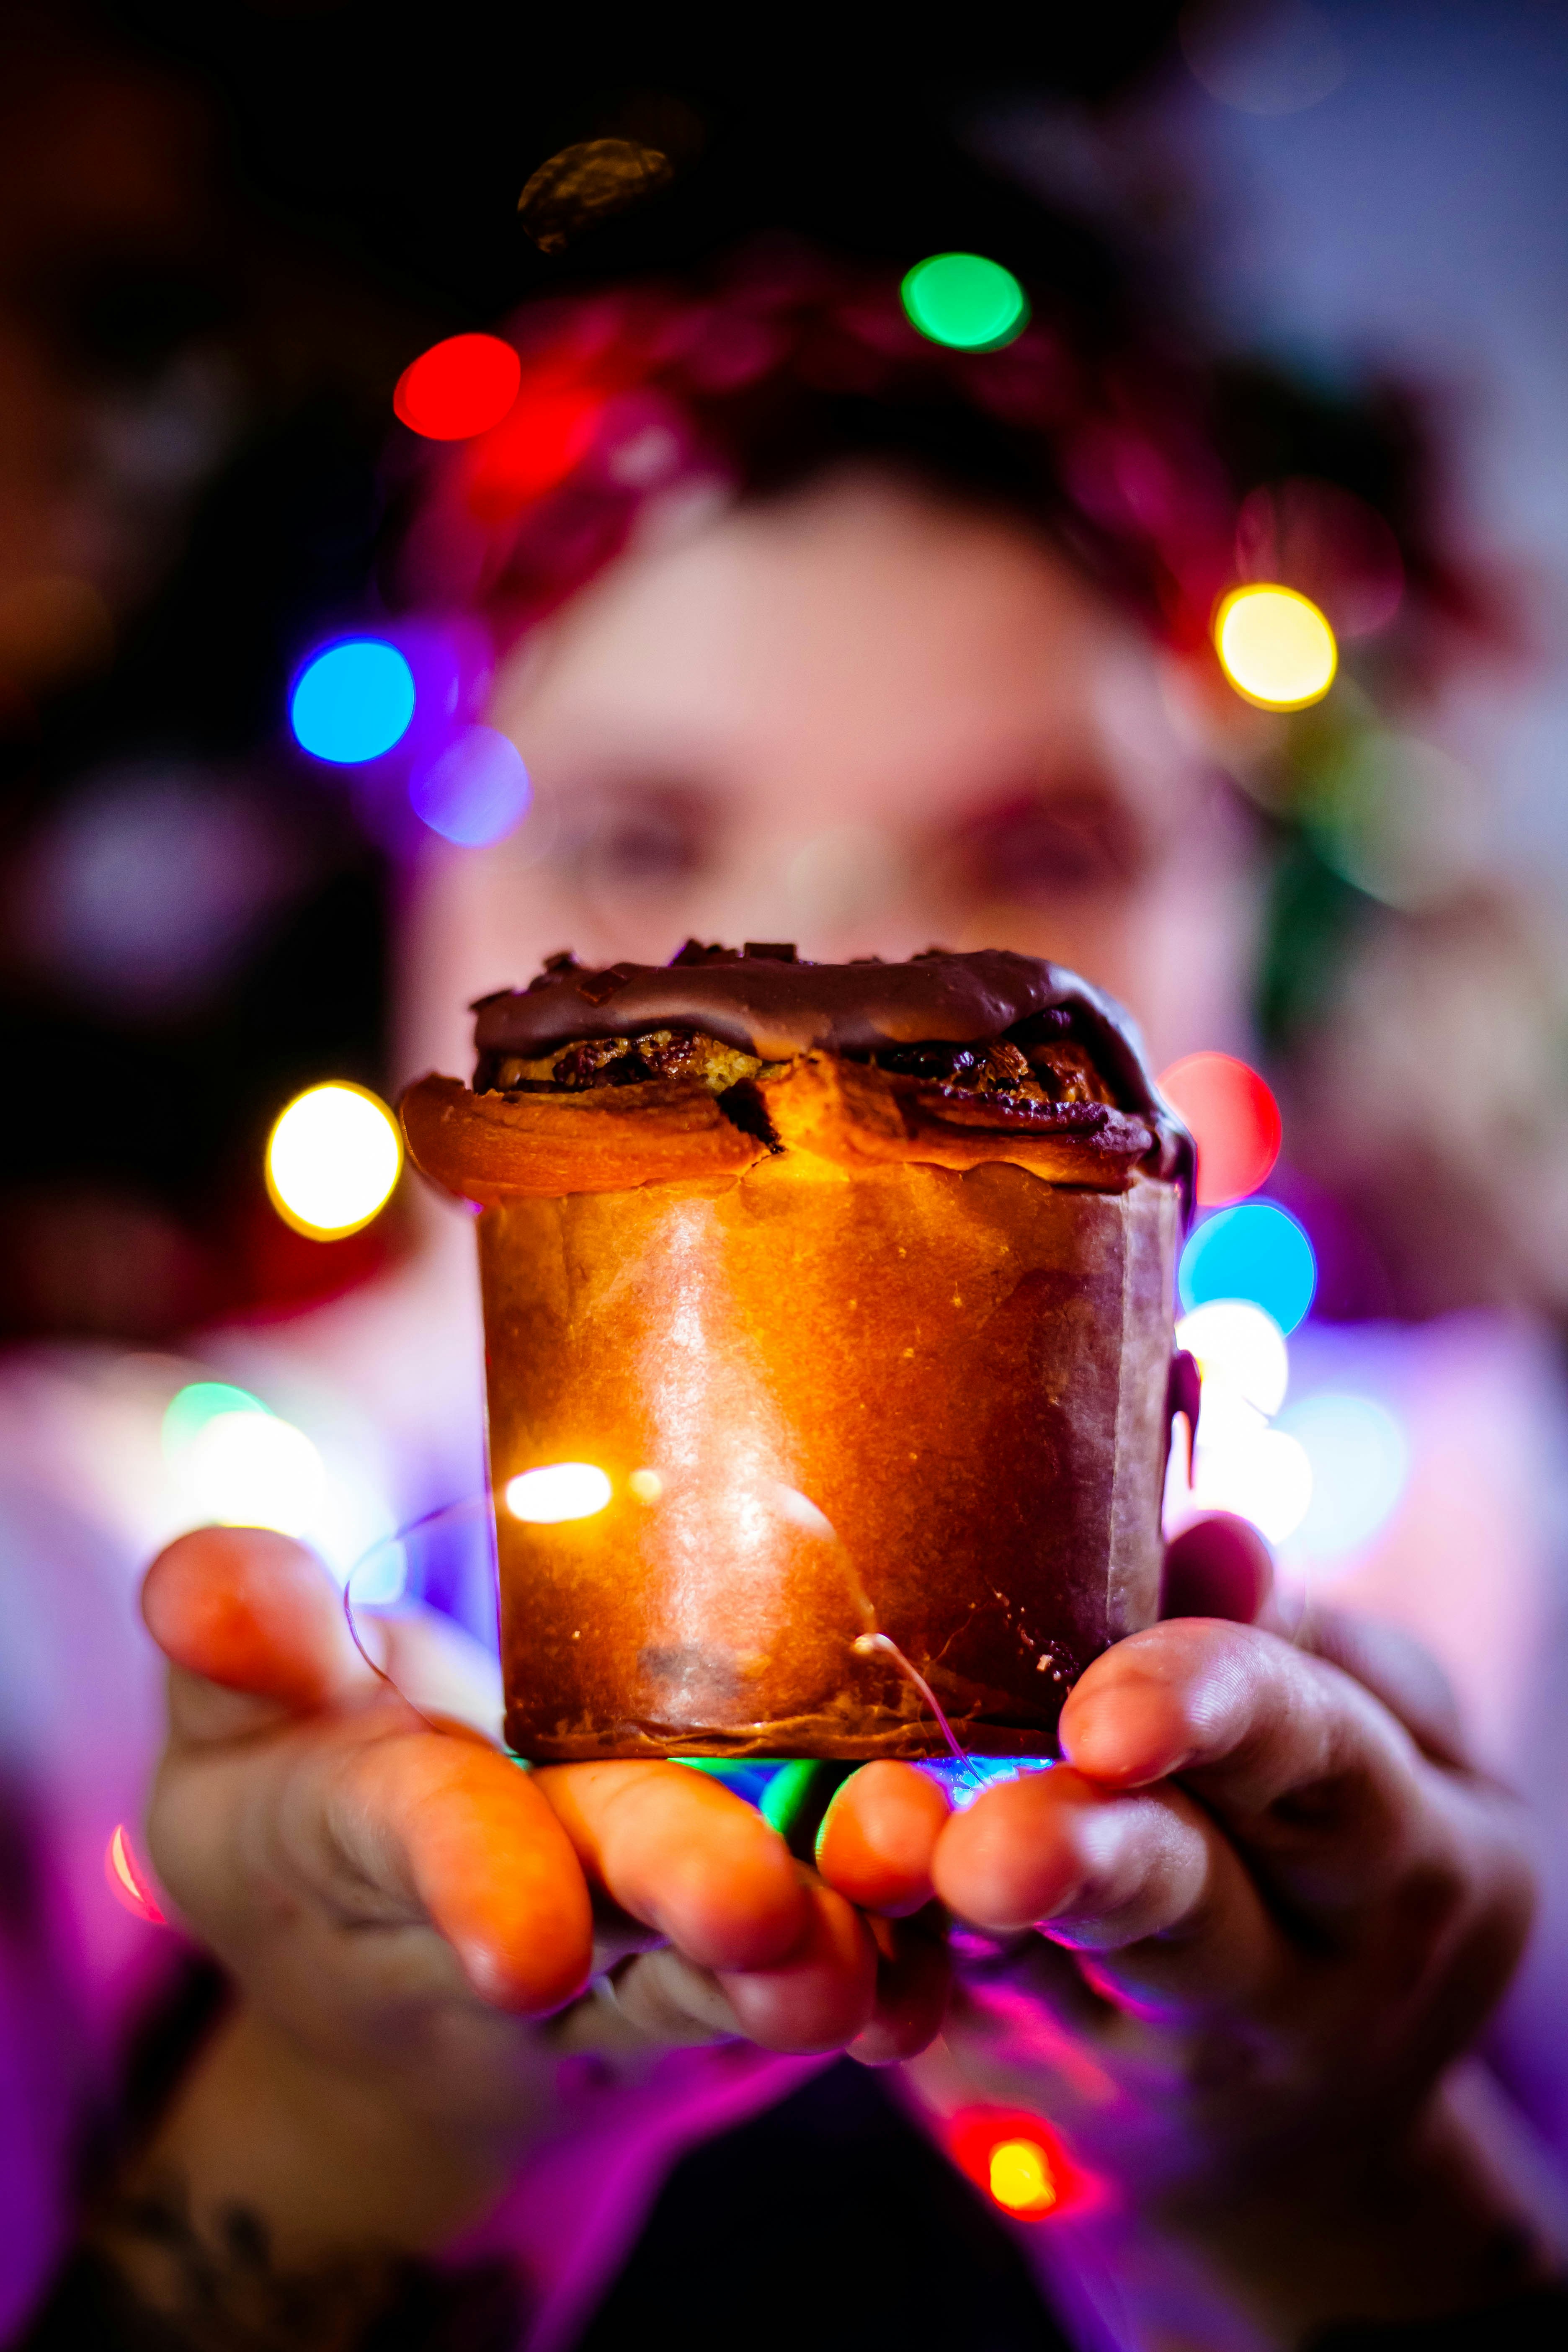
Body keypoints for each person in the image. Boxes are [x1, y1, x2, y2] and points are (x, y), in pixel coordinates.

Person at [14, 140, 1568, 2352]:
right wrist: (353, 2134)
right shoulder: (80, 1599)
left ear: (1246, 911)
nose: (826, 966)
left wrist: (1322, 2196)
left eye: (1037, 840)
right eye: (647, 832)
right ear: (426, 889)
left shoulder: (1514, 1571)